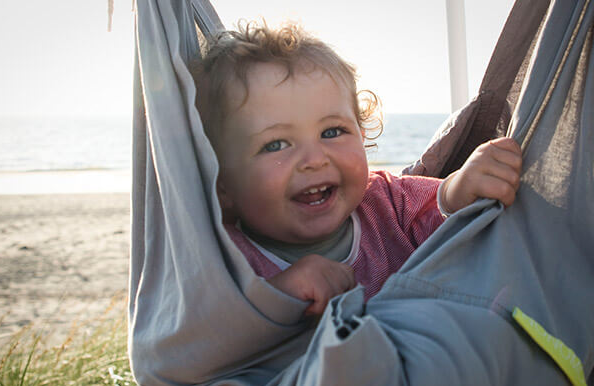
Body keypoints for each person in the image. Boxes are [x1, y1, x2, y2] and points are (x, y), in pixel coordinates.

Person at [191, 21, 522, 316]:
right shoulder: (227, 262)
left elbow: (440, 209)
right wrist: (277, 295)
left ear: (361, 138)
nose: (315, 159)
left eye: (332, 132)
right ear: (223, 184)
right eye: (275, 144)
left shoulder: (387, 202)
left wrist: (459, 189)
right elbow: (202, 344)